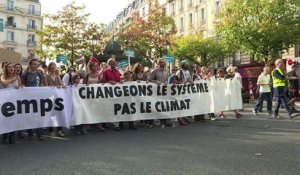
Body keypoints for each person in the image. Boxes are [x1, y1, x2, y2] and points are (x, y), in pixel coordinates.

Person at [21, 59, 45, 140]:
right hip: (28, 99)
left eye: (36, 64)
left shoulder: (40, 74)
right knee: (29, 115)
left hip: (38, 98)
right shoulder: (25, 74)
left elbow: (41, 84)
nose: (35, 66)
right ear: (30, 65)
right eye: (34, 64)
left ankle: (39, 134)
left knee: (39, 115)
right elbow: (23, 84)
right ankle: (30, 133)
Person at [0, 62, 22, 144]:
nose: (12, 68)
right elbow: (4, 83)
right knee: (5, 119)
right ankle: (4, 136)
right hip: (5, 102)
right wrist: (13, 79)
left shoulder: (18, 77)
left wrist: (19, 87)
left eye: (13, 67)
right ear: (6, 69)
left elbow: (21, 88)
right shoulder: (2, 76)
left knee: (13, 119)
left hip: (15, 102)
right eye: (9, 67)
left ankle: (12, 136)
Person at [149, 58, 173, 128]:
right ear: (159, 63)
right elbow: (149, 80)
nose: (164, 64)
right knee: (156, 106)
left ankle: (164, 121)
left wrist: (166, 82)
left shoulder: (166, 71)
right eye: (162, 63)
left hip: (164, 90)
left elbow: (167, 79)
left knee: (164, 105)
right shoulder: (155, 71)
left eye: (164, 62)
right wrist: (157, 82)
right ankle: (151, 121)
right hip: (156, 91)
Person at [44, 62, 65, 137]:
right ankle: (51, 130)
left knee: (59, 113)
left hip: (58, 98)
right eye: (52, 67)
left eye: (54, 67)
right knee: (50, 114)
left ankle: (59, 130)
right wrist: (55, 86)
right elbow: (46, 86)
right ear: (49, 68)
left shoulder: (58, 77)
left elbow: (62, 86)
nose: (53, 68)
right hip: (50, 98)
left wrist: (61, 86)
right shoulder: (46, 76)